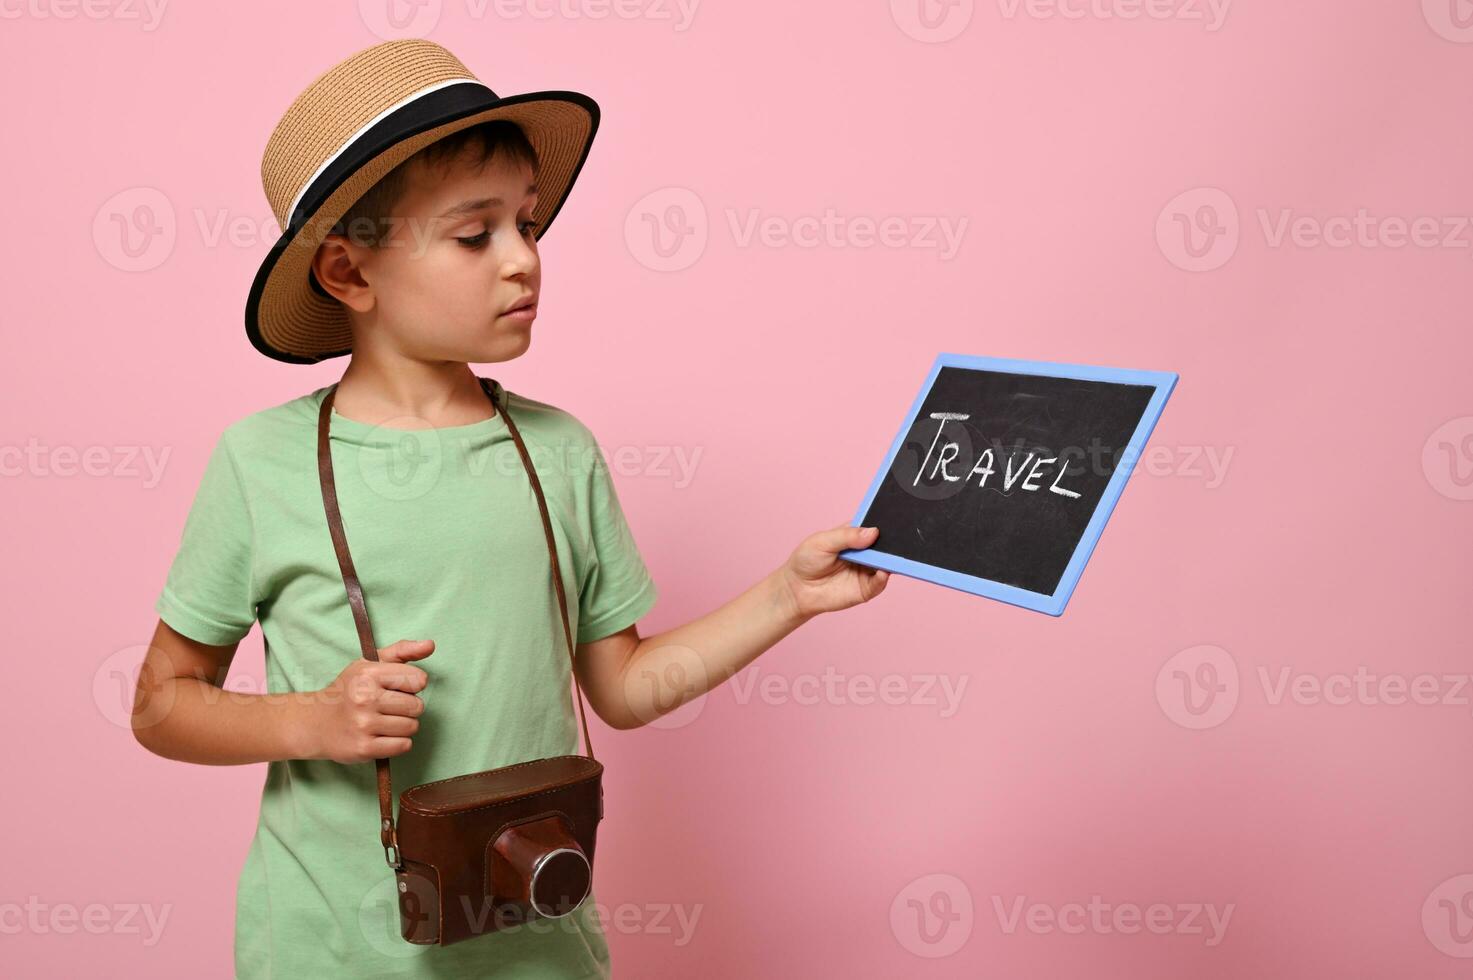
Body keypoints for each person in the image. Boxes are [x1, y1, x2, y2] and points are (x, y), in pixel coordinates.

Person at [132, 38, 889, 978]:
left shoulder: (559, 451)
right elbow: (163, 704)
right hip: (326, 952)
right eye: (473, 234)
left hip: (536, 951)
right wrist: (308, 722)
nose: (523, 261)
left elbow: (621, 688)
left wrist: (788, 595)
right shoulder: (261, 462)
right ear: (348, 274)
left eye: (528, 225)